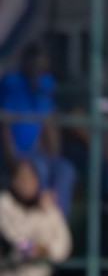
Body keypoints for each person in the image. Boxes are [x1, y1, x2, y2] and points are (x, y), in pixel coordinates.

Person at [0, 43, 76, 213]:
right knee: (39, 168)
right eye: (35, 64)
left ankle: (56, 218)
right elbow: (4, 126)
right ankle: (37, 216)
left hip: (37, 152)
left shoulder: (44, 86)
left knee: (65, 169)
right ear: (26, 63)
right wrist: (11, 159)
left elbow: (49, 125)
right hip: (16, 154)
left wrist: (54, 157)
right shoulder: (12, 83)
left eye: (42, 66)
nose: (38, 69)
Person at [0, 158, 71, 276]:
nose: (26, 183)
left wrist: (44, 249)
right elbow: (15, 241)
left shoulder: (49, 209)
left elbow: (63, 249)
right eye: (21, 177)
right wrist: (38, 212)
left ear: (38, 181)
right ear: (13, 180)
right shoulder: (3, 204)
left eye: (30, 177)